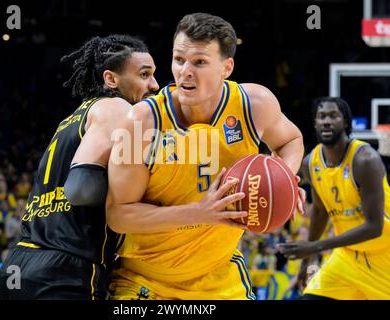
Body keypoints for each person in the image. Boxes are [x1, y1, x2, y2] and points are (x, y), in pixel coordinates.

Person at [106, 13, 305, 300]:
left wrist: (284, 176)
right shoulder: (141, 123)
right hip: (146, 280)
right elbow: (119, 214)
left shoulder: (253, 105)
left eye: (199, 62)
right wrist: (200, 213)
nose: (185, 71)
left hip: (219, 277)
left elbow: (291, 139)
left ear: (227, 67)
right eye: (178, 60)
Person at [0, 34, 158, 300]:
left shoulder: (70, 120)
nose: (155, 84)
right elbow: (82, 189)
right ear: (111, 80)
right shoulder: (117, 108)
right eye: (144, 75)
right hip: (66, 272)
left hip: (19, 264)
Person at [277, 97, 390, 300]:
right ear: (315, 123)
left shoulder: (366, 160)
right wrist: (306, 261)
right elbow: (320, 213)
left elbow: (375, 226)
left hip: (385, 258)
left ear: (345, 122)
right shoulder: (311, 162)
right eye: (321, 117)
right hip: (346, 259)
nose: (326, 121)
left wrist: (314, 247)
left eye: (333, 116)